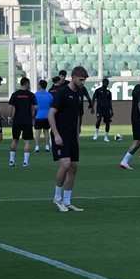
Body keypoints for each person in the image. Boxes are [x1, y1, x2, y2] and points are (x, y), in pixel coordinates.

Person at [49, 66, 89, 212]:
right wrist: (56, 134)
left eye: (84, 80)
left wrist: (78, 133)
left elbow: (78, 115)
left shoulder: (79, 93)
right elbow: (51, 114)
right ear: (73, 77)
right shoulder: (62, 92)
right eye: (81, 79)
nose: (83, 82)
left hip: (72, 136)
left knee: (74, 167)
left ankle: (67, 201)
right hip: (61, 135)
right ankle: (57, 198)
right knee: (65, 165)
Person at [7, 77, 37, 167]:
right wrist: (34, 115)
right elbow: (36, 107)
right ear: (27, 83)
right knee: (27, 142)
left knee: (14, 140)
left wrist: (9, 117)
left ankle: (11, 160)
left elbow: (11, 107)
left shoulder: (15, 94)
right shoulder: (31, 95)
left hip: (17, 120)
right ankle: (25, 162)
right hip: (27, 120)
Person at [92, 77, 114, 142]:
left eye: (107, 83)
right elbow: (93, 98)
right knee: (99, 119)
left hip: (107, 109)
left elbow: (110, 102)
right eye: (105, 83)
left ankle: (106, 136)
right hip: (100, 108)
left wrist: (112, 110)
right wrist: (92, 106)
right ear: (103, 83)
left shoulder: (108, 92)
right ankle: (96, 133)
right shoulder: (98, 91)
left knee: (108, 123)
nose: (106, 84)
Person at [34, 79, 52, 151]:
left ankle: (37, 147)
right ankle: (47, 147)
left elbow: (34, 106)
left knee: (38, 131)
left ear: (39, 86)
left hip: (39, 115)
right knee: (46, 131)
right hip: (47, 115)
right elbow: (51, 105)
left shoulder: (36, 95)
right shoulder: (49, 95)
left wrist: (33, 113)